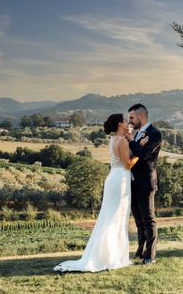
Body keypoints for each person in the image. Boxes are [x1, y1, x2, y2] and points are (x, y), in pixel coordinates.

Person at [54, 114, 139, 272]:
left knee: (110, 216)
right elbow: (128, 164)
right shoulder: (122, 141)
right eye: (126, 121)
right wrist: (140, 154)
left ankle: (108, 255)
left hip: (113, 177)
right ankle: (112, 257)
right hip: (121, 179)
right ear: (120, 124)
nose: (128, 123)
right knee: (117, 218)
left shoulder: (113, 140)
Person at [125, 103, 162, 264]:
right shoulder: (139, 134)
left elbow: (144, 155)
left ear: (141, 116)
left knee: (148, 220)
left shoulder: (154, 134)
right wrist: (134, 141)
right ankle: (140, 252)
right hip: (132, 182)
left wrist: (133, 141)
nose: (130, 121)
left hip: (146, 182)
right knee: (139, 221)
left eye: (132, 117)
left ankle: (150, 256)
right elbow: (131, 154)